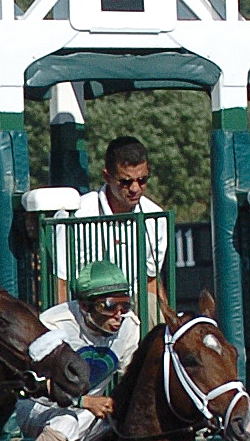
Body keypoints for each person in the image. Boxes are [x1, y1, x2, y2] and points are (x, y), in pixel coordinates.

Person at [2, 260, 139, 441]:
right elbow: (30, 386)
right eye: (110, 306)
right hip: (37, 406)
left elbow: (130, 380)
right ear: (85, 306)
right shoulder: (53, 324)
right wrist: (83, 402)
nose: (119, 315)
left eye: (125, 305)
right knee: (68, 421)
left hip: (90, 412)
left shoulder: (130, 327)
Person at [60, 137, 173, 328]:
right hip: (86, 309)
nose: (135, 188)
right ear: (106, 176)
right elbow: (61, 283)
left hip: (132, 308)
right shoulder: (75, 214)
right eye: (125, 182)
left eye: (142, 180)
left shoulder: (156, 216)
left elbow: (150, 281)